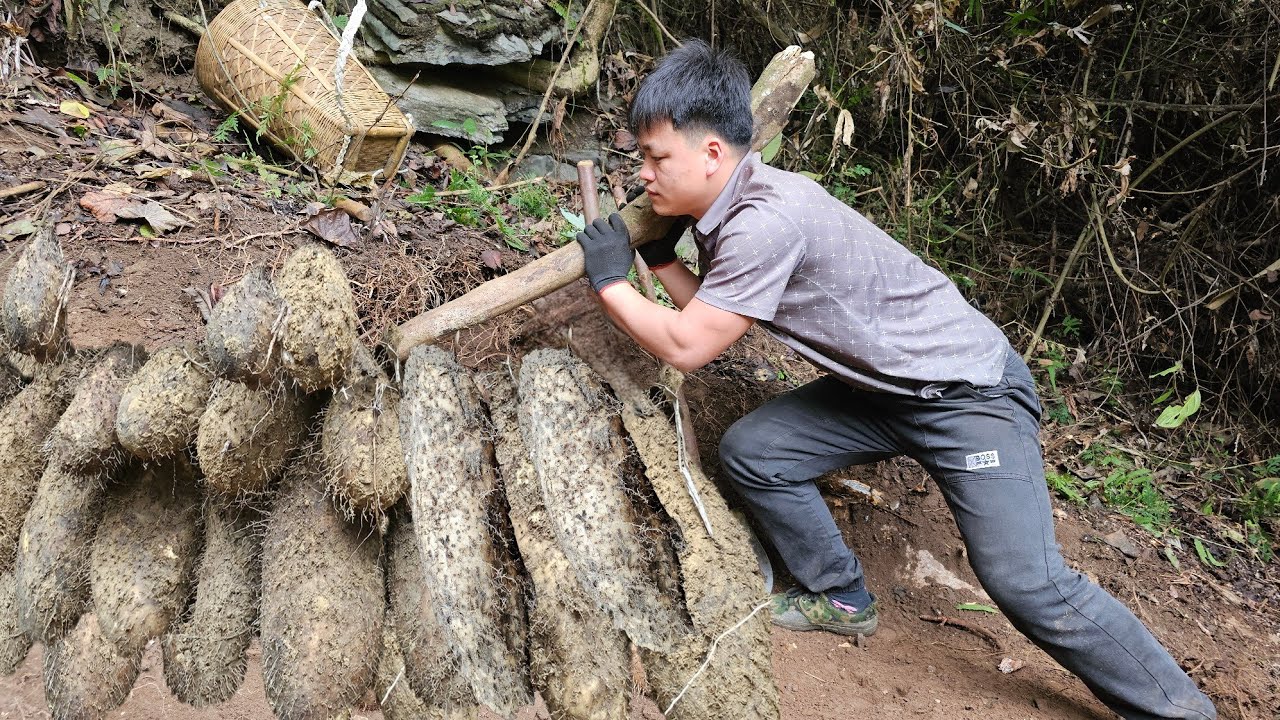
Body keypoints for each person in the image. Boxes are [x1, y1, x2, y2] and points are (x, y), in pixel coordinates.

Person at [574, 39, 1217, 720]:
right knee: (757, 452)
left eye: (656, 158)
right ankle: (843, 598)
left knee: (1028, 582)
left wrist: (611, 280)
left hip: (968, 395)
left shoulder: (765, 219)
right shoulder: (732, 208)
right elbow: (713, 312)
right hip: (884, 391)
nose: (643, 174)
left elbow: (687, 346)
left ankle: (1181, 713)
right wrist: (658, 257)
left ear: (711, 153)